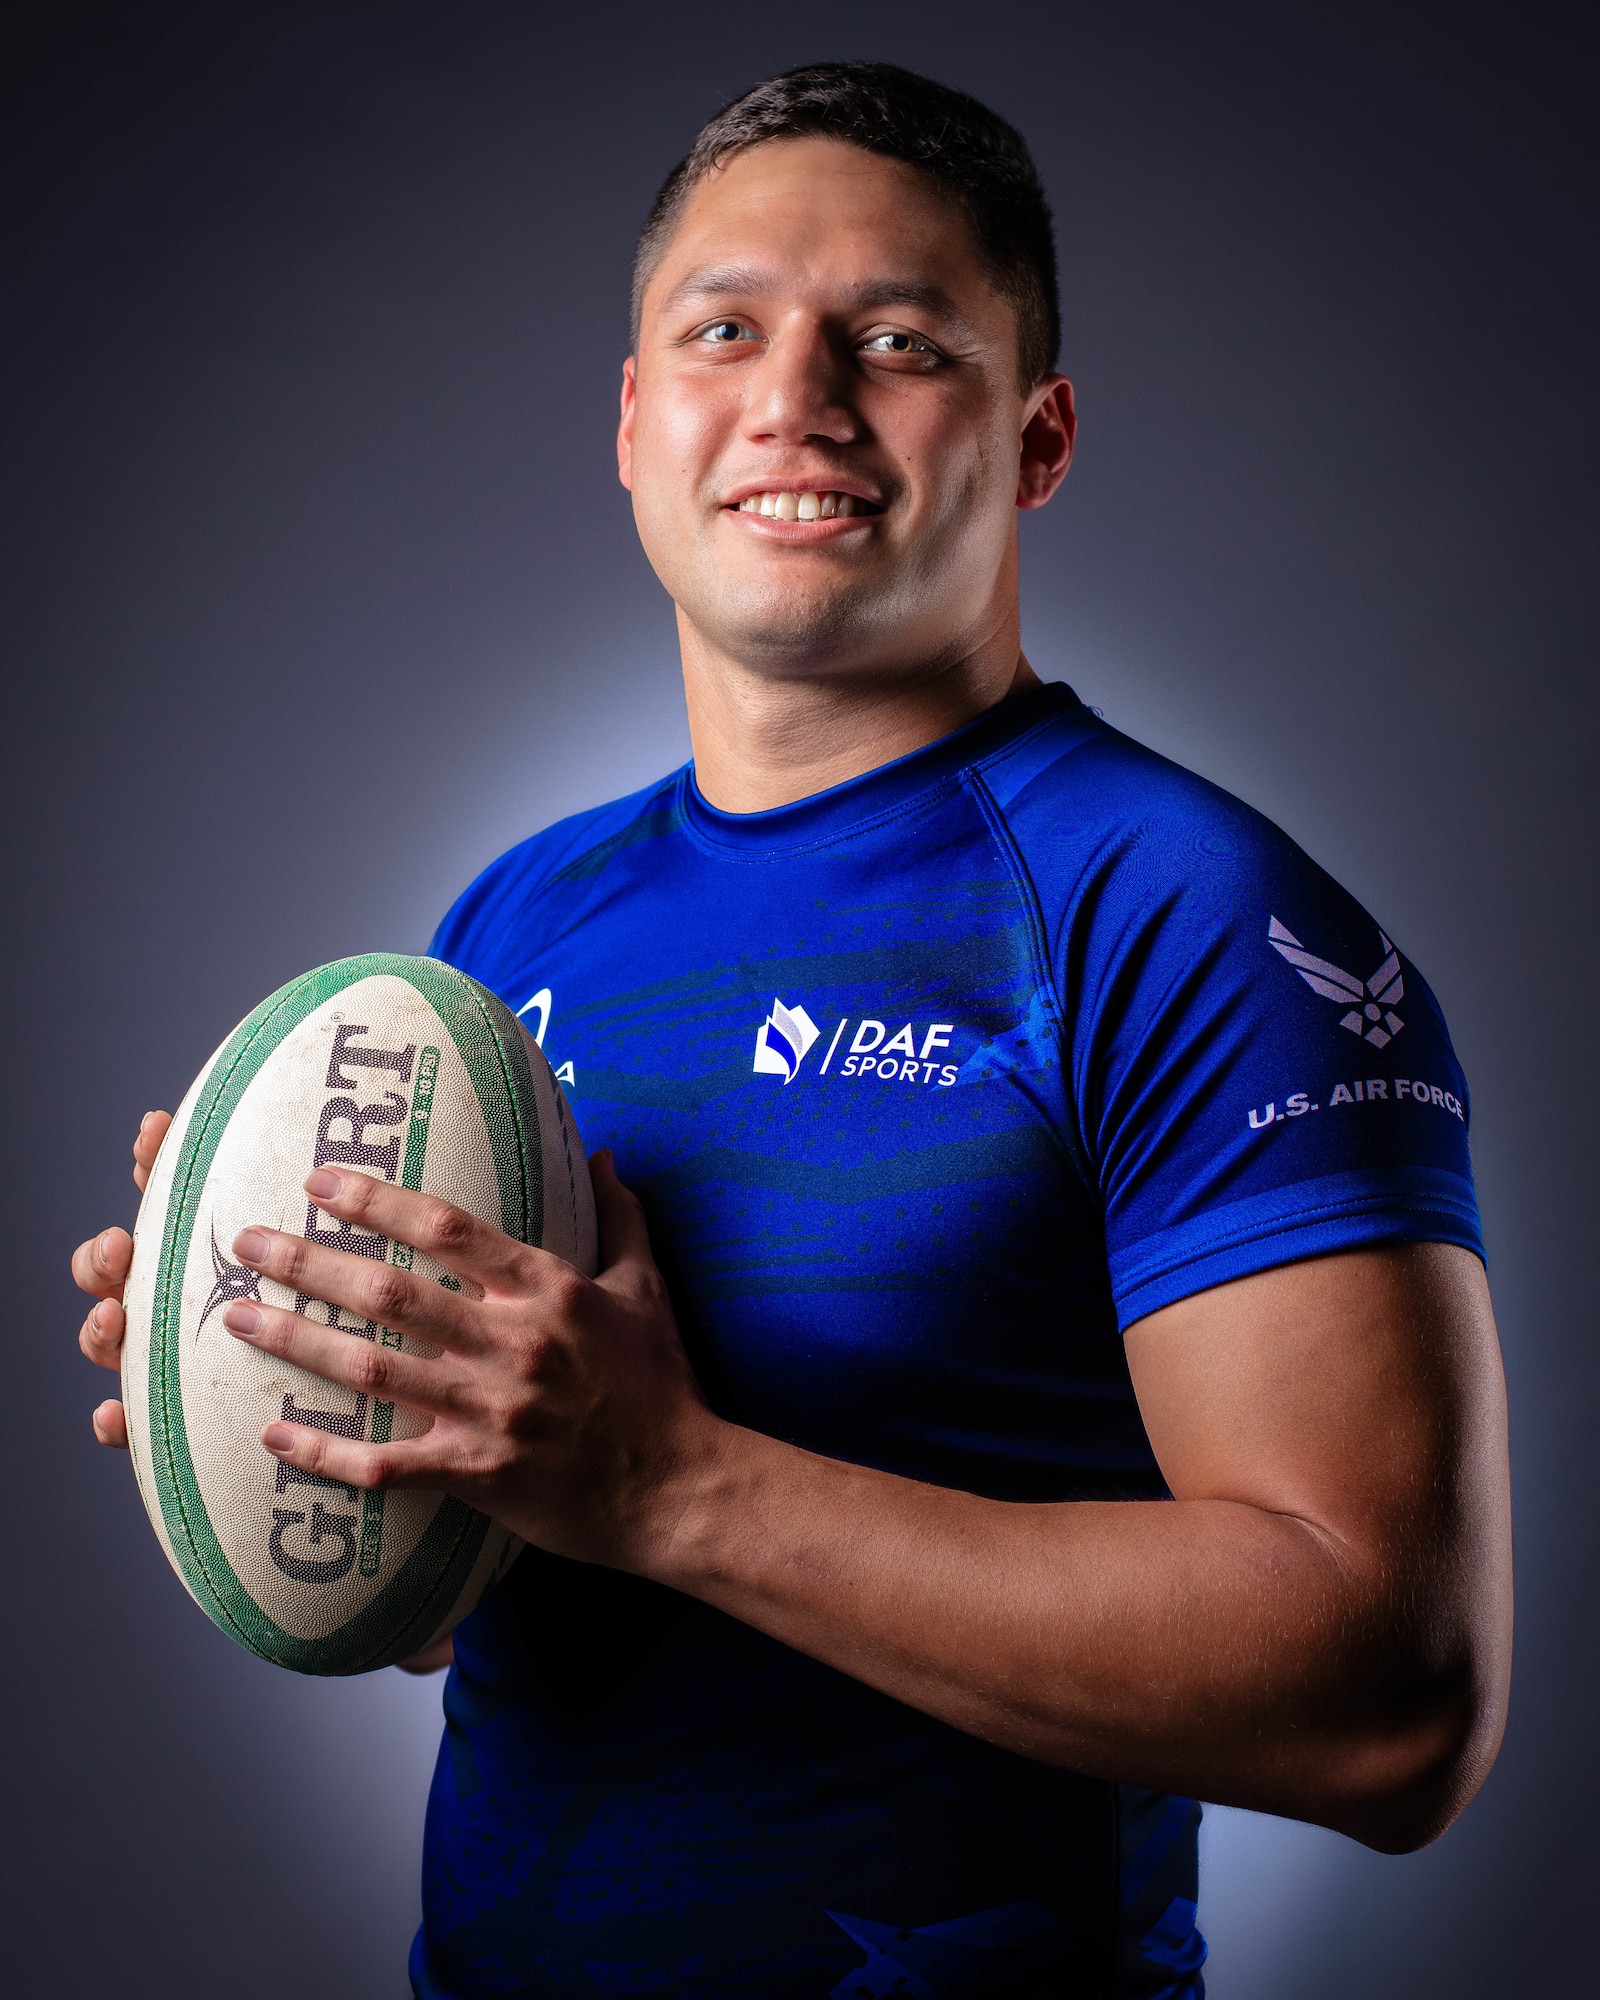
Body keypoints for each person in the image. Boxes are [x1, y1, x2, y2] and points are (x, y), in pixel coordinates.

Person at [72, 62, 1511, 2000]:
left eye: (897, 340)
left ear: (1038, 432)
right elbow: (476, 1585)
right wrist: (305, 1373)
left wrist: (671, 1483)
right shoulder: (508, 924)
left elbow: (1392, 1694)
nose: (794, 398)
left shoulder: (1183, 914)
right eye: (723, 329)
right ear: (632, 417)